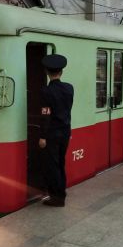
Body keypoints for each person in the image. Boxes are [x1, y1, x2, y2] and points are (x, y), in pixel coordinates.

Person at [39, 54, 74, 207]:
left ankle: (57, 197)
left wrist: (42, 136)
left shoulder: (46, 92)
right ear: (62, 72)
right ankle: (61, 192)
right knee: (61, 163)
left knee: (52, 165)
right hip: (65, 132)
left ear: (47, 72)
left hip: (52, 133)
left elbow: (45, 115)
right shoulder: (69, 88)